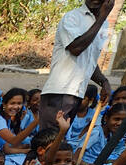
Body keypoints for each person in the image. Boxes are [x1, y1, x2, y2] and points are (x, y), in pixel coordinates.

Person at [37, 0, 115, 134]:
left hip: (76, 93)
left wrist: (104, 81)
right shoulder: (72, 17)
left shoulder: (103, 25)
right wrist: (101, 18)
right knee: (48, 142)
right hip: (59, 91)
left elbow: (89, 61)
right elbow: (76, 48)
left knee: (59, 143)